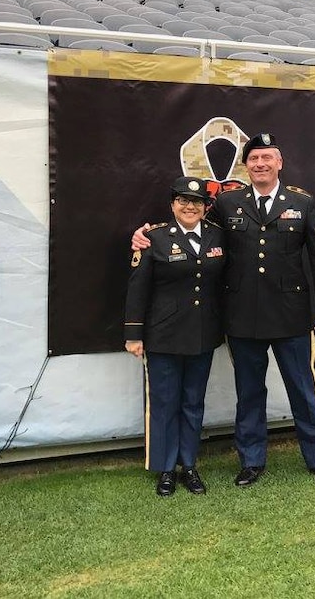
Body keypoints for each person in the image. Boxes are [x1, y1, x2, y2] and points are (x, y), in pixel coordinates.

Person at [131, 134, 315, 487]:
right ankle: (252, 461)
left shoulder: (302, 203)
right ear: (246, 165)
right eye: (254, 158)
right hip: (242, 317)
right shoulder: (228, 203)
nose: (260, 163)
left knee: (304, 391)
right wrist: (147, 236)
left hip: (292, 316)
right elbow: (190, 222)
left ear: (280, 163)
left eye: (267, 157)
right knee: (249, 392)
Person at [124, 176, 226, 497]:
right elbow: (137, 288)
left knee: (193, 402)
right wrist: (133, 334)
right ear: (172, 205)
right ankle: (166, 469)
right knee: (165, 403)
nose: (189, 206)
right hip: (163, 335)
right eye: (183, 200)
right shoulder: (153, 238)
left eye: (196, 202)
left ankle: (189, 465)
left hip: (202, 334)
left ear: (205, 207)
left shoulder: (218, 236)